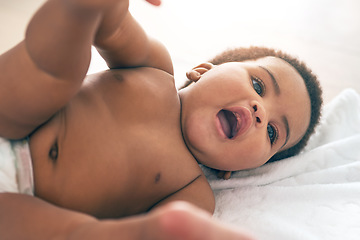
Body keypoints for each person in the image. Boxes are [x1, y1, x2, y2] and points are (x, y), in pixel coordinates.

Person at [0, 0, 322, 239]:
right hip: (15, 115)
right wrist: (107, 9)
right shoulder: (153, 66)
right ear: (202, 71)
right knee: (57, 71)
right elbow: (114, 27)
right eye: (258, 85)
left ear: (234, 170)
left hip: (24, 202)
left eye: (272, 133)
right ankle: (80, 9)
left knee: (77, 232)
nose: (259, 112)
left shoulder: (194, 192)